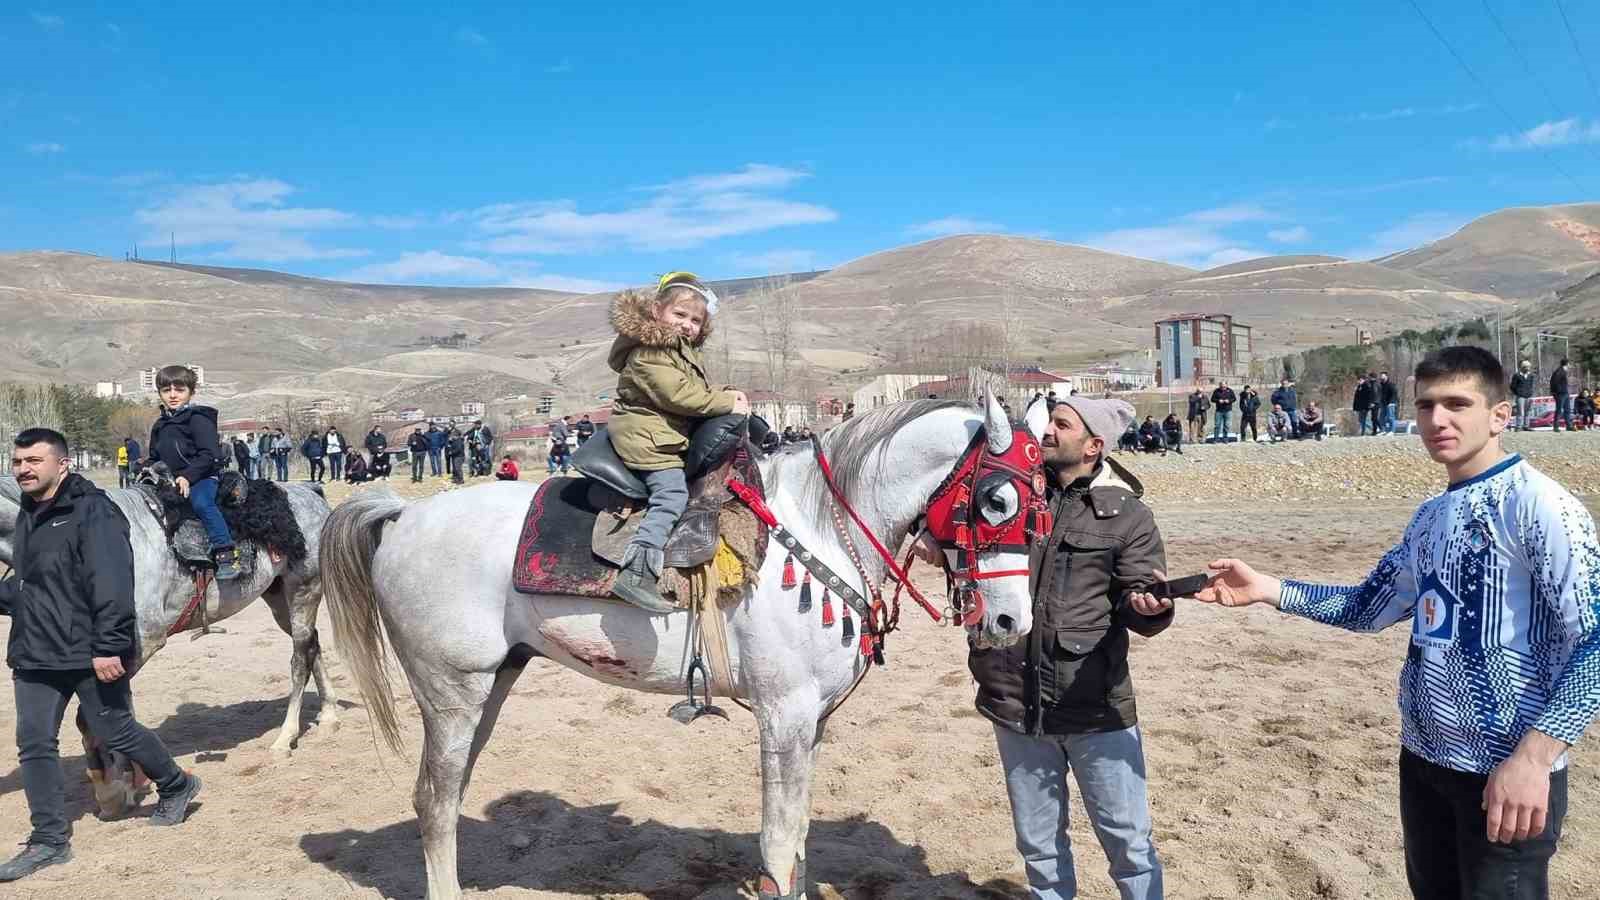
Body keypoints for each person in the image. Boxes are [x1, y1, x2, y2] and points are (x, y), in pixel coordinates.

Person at [1196, 346, 1599, 899]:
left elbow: (1595, 640)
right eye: (1427, 405)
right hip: (1426, 763)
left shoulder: (1540, 506)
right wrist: (1268, 589)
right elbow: (1370, 606)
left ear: (1500, 416)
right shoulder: (1431, 516)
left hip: (1507, 774)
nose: (1438, 420)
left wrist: (1535, 758)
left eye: (1458, 404)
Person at [967, 396, 1172, 899]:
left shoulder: (1127, 515)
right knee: (1038, 849)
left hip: (1094, 708)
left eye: (1062, 425)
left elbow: (1138, 595)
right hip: (1014, 702)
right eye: (1049, 422)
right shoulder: (1012, 499)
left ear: (1094, 445)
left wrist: (1151, 607)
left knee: (1129, 845)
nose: (1049, 432)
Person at [0, 428, 205, 882]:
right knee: (34, 743)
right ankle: (49, 841)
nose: (24, 469)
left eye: (34, 460)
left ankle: (177, 783)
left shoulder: (95, 512)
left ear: (62, 464)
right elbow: (28, 582)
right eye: (18, 462)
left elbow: (112, 584)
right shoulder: (30, 515)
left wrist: (109, 646)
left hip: (89, 650)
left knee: (117, 730)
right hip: (35, 650)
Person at [605, 271, 749, 613]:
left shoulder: (677, 351)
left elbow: (694, 392)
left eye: (696, 320)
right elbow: (678, 395)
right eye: (679, 315)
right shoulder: (649, 350)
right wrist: (728, 403)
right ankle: (637, 570)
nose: (687, 325)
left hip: (662, 431)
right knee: (672, 493)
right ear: (657, 311)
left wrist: (725, 395)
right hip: (646, 437)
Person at [147, 365, 242, 580]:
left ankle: (225, 552)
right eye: (166, 390)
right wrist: (146, 466)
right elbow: (155, 457)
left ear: (191, 392)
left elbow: (210, 455)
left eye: (179, 390)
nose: (172, 395)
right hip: (170, 480)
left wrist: (187, 476)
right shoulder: (159, 426)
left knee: (201, 503)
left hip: (202, 476)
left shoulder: (198, 419)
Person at [1510, 360, 1536, 432]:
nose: (1528, 368)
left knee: (1528, 412)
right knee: (1520, 412)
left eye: (1529, 367)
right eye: (1526, 367)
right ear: (1522, 367)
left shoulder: (1531, 376)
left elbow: (1531, 385)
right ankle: (1518, 426)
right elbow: (1512, 386)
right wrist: (1518, 393)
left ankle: (1526, 426)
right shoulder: (1517, 375)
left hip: (1529, 396)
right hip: (1520, 396)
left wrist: (1531, 392)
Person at [1550, 358, 1572, 433]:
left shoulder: (1564, 371)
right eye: (1569, 363)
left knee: (1567, 410)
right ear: (1566, 364)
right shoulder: (1559, 371)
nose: (1570, 365)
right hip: (1560, 394)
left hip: (1565, 393)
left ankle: (1569, 425)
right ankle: (1556, 426)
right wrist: (1556, 392)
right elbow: (1554, 382)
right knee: (1559, 410)